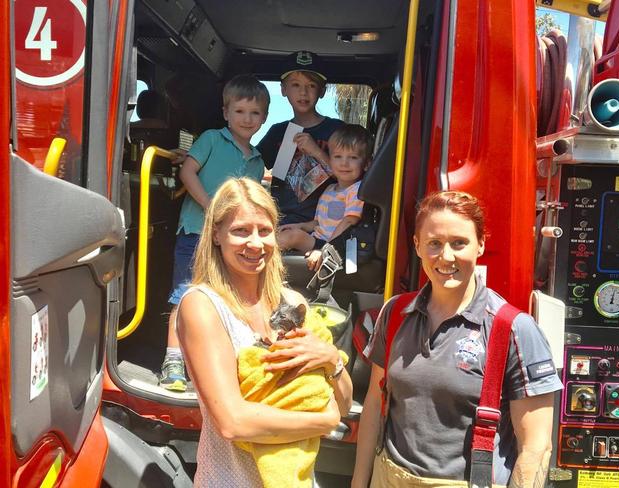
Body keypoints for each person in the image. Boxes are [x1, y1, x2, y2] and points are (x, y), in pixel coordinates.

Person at [351, 191, 563, 488]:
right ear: (417, 246)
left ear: (481, 245)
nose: (446, 256)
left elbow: (536, 447)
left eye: (459, 243)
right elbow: (376, 402)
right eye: (434, 243)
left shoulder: (514, 329)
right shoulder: (396, 312)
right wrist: (360, 482)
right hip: (390, 478)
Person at [176, 178, 353, 487]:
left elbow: (343, 404)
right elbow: (232, 422)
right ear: (216, 234)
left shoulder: (293, 302)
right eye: (240, 230)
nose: (256, 243)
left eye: (265, 230)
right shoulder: (202, 306)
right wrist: (324, 422)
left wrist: (332, 361)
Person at [159, 76, 270, 391]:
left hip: (228, 242)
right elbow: (187, 171)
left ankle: (210, 361)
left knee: (222, 298)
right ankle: (173, 360)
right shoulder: (210, 139)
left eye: (255, 113)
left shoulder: (258, 160)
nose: (247, 119)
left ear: (263, 118)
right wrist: (211, 207)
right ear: (226, 113)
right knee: (186, 294)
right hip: (196, 231)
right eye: (240, 111)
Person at [258, 51, 344, 225]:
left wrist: (317, 152)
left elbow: (349, 179)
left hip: (324, 222)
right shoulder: (278, 132)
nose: (303, 92)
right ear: (283, 90)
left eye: (311, 85)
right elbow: (252, 165)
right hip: (281, 221)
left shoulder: (337, 130)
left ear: (322, 91)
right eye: (295, 85)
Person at [277, 124, 371, 270]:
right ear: (330, 160)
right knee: (287, 232)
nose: (344, 163)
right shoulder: (329, 189)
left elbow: (349, 221)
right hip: (318, 239)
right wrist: (299, 226)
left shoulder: (357, 190)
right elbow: (317, 223)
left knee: (292, 237)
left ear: (366, 164)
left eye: (353, 157)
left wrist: (326, 251)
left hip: (334, 245)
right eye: (338, 156)